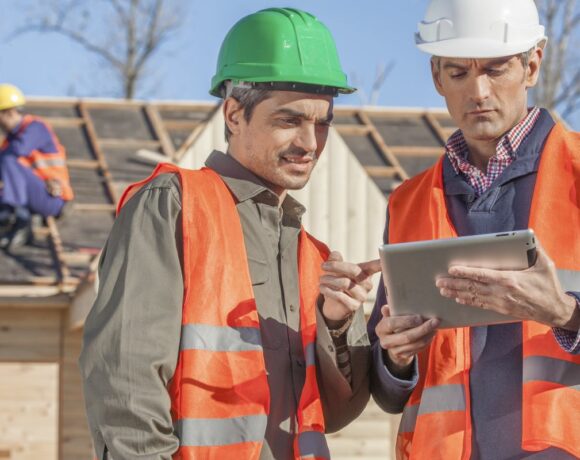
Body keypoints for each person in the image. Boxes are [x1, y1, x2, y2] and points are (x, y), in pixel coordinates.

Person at [80, 8, 376, 460]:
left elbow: (332, 416)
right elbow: (125, 381)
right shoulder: (174, 206)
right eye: (289, 120)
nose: (310, 142)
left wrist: (335, 328)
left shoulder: (315, 258)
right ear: (234, 114)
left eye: (322, 122)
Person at [368, 0, 580, 458]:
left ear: (532, 65)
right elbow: (389, 391)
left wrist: (566, 314)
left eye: (496, 69)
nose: (478, 91)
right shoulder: (408, 204)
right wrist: (394, 358)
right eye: (459, 73)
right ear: (436, 77)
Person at [0, 83, 73, 250]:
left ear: (9, 112)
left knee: (9, 160)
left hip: (53, 198)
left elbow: (19, 150)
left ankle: (15, 215)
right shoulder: (10, 140)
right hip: (32, 198)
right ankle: (13, 214)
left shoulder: (35, 127)